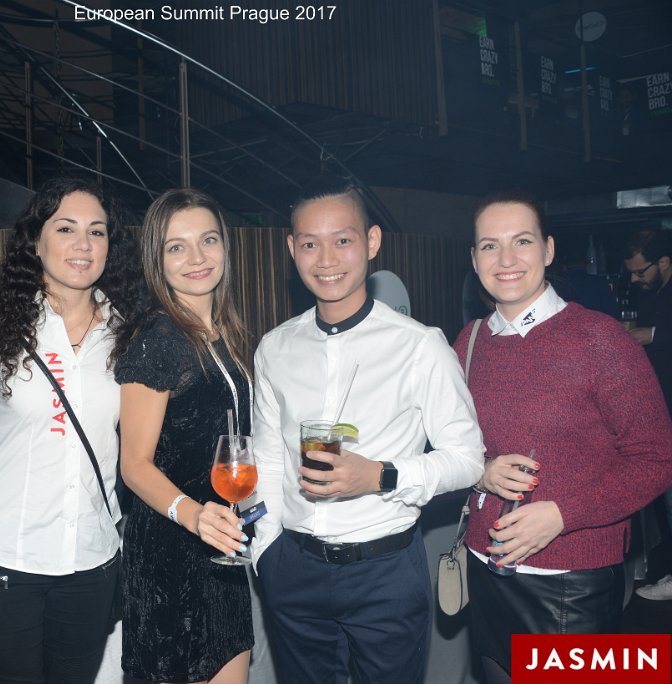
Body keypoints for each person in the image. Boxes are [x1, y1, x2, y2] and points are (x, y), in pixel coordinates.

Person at [251, 176, 484, 684]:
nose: (326, 259)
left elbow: (468, 459)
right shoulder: (274, 348)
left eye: (343, 240)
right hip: (293, 568)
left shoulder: (420, 346)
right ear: (291, 249)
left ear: (372, 241)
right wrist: (266, 549)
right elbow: (267, 457)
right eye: (310, 244)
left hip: (386, 572)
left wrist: (379, 475)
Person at [0, 177, 147, 684]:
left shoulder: (131, 333)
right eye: (65, 228)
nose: (83, 244)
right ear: (36, 242)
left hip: (93, 560)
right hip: (5, 557)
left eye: (97, 231)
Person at [455, 192, 672, 683]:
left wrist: (562, 515)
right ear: (474, 258)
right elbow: (453, 446)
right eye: (489, 246)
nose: (506, 259)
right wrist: (482, 472)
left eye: (522, 241)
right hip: (485, 569)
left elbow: (656, 458)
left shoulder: (601, 340)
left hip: (570, 585)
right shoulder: (468, 341)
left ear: (548, 250)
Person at [116, 188, 254, 683]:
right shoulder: (158, 339)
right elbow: (133, 464)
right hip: (169, 553)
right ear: (156, 260)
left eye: (208, 240)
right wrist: (193, 515)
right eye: (177, 246)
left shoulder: (221, 330)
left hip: (221, 544)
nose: (197, 258)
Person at [623, 229, 672, 601]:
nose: (635, 279)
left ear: (664, 263)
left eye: (641, 271)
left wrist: (651, 335)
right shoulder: (652, 294)